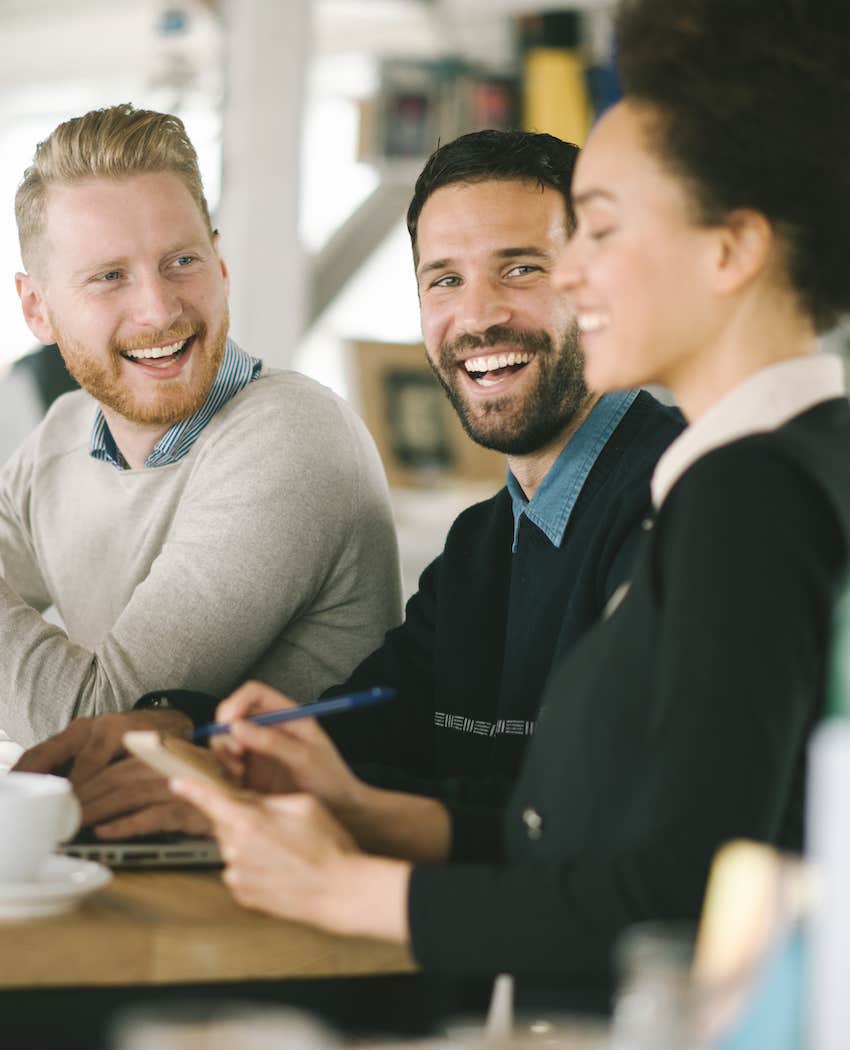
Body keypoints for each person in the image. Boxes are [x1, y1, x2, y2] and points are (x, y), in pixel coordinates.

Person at [172, 0, 850, 1015]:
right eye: (444, 277)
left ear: (731, 249)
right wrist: (357, 806)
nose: (570, 276)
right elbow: (593, 835)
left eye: (600, 232)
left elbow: (676, 901)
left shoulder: (747, 493)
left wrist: (353, 890)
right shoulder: (752, 473)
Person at [18, 130, 681, 840]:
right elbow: (371, 726)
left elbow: (618, 827)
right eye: (446, 280)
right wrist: (181, 732)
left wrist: (281, 800)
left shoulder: (684, 500)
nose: (480, 315)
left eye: (521, 269)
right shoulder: (484, 545)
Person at [1, 104, 401, 757]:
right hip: (131, 850)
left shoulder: (292, 436)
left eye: (180, 261)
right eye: (109, 277)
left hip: (280, 853)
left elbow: (107, 728)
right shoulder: (65, 431)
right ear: (36, 308)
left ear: (220, 265)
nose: (158, 310)